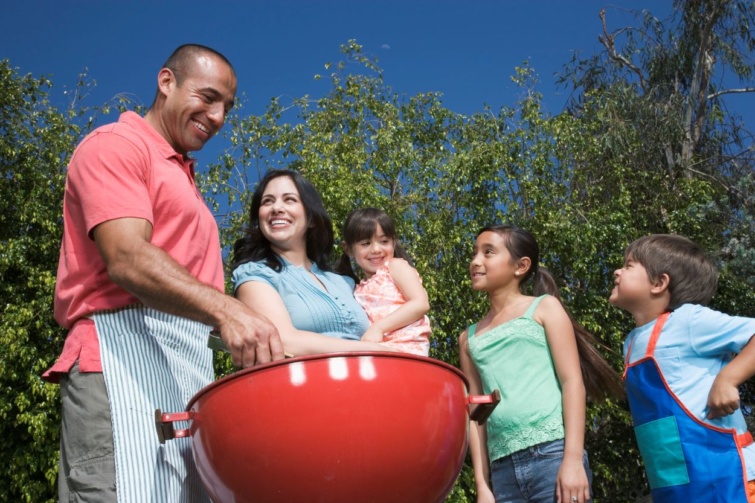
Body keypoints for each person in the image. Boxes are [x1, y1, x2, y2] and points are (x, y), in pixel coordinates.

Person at [44, 44, 284, 502]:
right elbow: (128, 256)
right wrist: (228, 311)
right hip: (118, 362)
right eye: (208, 97)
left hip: (185, 370)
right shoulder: (117, 145)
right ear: (166, 82)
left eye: (227, 108)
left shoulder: (183, 176)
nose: (217, 117)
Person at [459, 224, 622, 503]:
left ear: (521, 266)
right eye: (475, 253)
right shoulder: (468, 338)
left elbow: (572, 382)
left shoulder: (544, 308)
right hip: (502, 472)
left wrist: (571, 461)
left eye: (488, 252)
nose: (476, 261)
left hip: (552, 457)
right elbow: (476, 413)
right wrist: (483, 486)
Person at [610, 234, 755, 503]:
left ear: (659, 283)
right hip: (672, 486)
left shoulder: (688, 320)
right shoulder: (630, 343)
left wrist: (727, 379)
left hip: (726, 475)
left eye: (629, 265)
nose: (617, 271)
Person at [231, 170, 397, 355]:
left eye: (289, 199)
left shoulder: (344, 282)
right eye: (267, 201)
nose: (276, 208)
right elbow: (283, 341)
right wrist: (373, 350)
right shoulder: (254, 275)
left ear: (311, 218)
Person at [335, 207, 431, 356]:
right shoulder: (356, 289)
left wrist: (378, 328)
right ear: (348, 249)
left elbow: (420, 302)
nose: (376, 249)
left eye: (384, 241)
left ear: (393, 242)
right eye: (366, 243)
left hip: (407, 350)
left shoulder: (395, 267)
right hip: (378, 354)